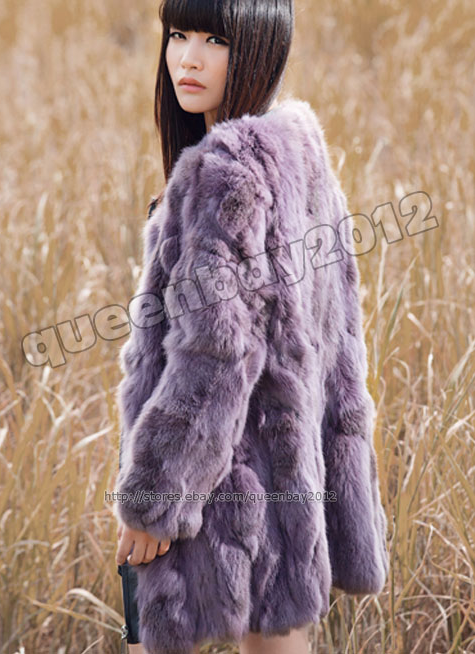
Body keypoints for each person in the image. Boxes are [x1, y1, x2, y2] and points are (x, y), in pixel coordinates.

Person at [114, 1, 389, 653]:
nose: (188, 58)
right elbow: (340, 343)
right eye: (178, 35)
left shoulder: (227, 171)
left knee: (148, 633)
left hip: (214, 482)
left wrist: (156, 495)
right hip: (288, 480)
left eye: (216, 39)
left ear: (261, 48)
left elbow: (217, 355)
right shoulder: (298, 153)